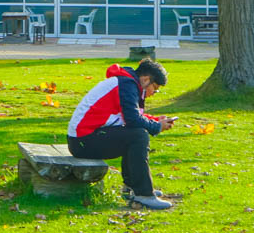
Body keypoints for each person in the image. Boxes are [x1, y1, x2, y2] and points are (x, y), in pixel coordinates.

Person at [65, 59, 176, 209]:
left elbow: (128, 115)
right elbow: (132, 119)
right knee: (138, 135)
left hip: (83, 139)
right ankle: (143, 193)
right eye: (154, 89)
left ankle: (132, 187)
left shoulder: (126, 82)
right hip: (83, 141)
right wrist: (156, 126)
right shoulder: (127, 85)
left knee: (134, 134)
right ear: (145, 80)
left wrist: (156, 120)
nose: (153, 94)